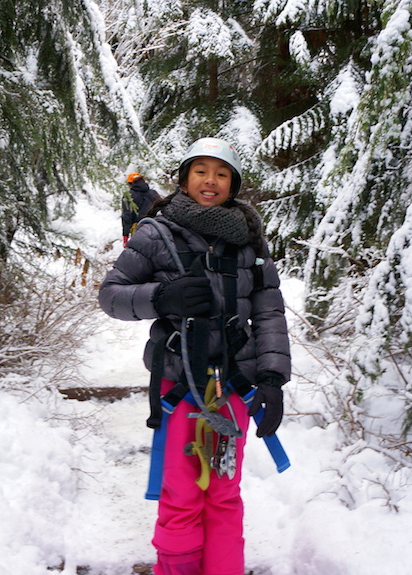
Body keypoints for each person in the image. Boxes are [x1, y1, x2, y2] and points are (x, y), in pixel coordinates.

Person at [98, 137, 290, 575]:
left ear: (233, 185)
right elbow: (111, 297)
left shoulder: (248, 241)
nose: (211, 181)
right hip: (179, 384)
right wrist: (163, 297)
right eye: (201, 171)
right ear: (184, 179)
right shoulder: (155, 232)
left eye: (222, 173)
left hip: (234, 388)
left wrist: (273, 378)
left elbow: (269, 311)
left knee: (224, 495)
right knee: (182, 495)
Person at [122, 172, 162, 247]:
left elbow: (127, 217)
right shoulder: (154, 193)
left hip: (138, 229)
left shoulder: (129, 196)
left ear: (130, 183)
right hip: (155, 227)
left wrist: (125, 236)